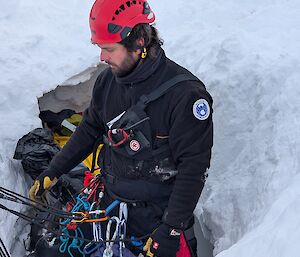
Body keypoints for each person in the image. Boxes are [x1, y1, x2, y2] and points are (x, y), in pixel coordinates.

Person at [29, 0, 213, 256]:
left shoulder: (185, 96)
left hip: (156, 218)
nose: (102, 57)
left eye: (108, 49)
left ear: (138, 43)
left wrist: (170, 229)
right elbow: (89, 129)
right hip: (109, 203)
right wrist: (55, 170)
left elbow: (193, 169)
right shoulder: (107, 82)